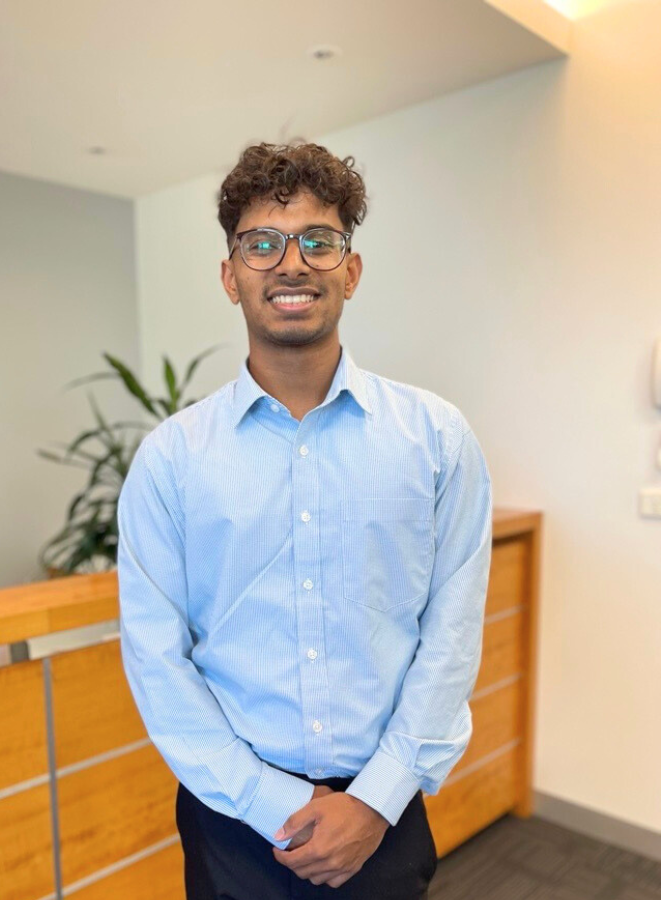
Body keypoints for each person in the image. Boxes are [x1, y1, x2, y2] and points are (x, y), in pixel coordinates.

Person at [117, 141, 493, 899]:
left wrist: (375, 798)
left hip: (382, 813)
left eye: (318, 241)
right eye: (262, 244)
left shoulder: (437, 438)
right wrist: (271, 801)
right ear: (231, 276)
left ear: (350, 270)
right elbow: (157, 660)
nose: (292, 263)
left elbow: (450, 637)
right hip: (232, 820)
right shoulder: (171, 460)